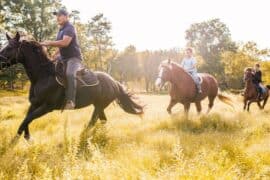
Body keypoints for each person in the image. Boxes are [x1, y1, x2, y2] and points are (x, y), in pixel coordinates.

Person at [41, 9, 83, 109]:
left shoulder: (70, 28)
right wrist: (53, 57)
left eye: (60, 15)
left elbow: (65, 43)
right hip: (63, 58)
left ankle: (71, 101)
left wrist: (48, 42)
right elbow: (60, 47)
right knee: (50, 70)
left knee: (69, 74)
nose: (57, 17)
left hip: (74, 58)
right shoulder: (61, 30)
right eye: (57, 15)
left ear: (66, 16)